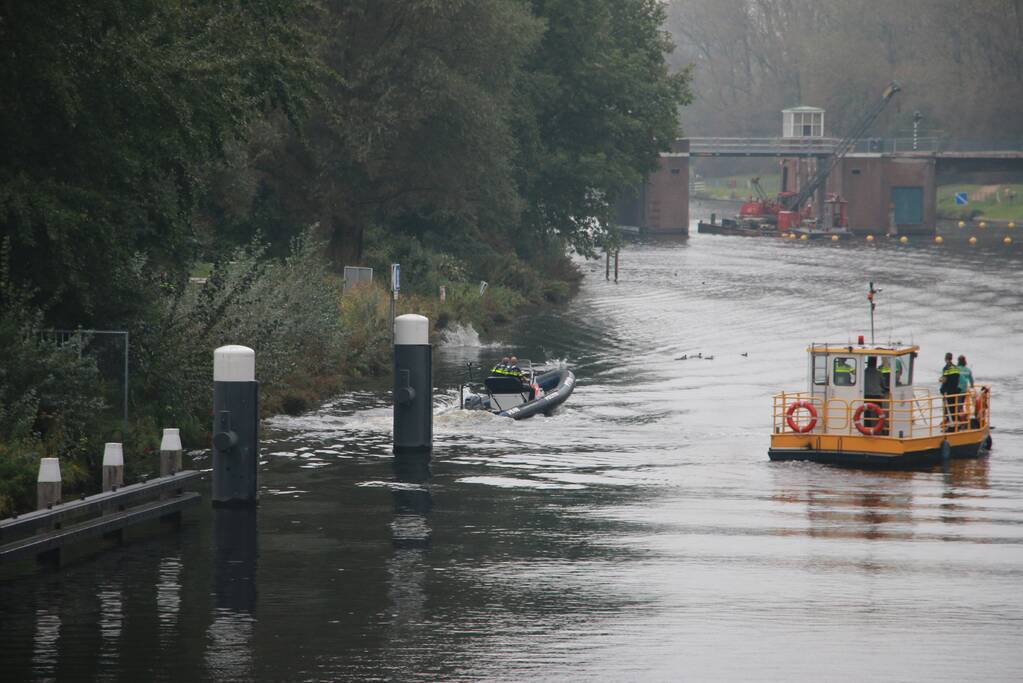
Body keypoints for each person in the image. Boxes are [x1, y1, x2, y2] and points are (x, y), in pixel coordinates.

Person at [940, 352, 961, 430]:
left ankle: (950, 425)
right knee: (954, 408)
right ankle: (956, 423)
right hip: (955, 390)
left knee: (948, 409)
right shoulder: (956, 367)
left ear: (945, 358)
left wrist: (941, 380)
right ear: (951, 358)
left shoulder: (946, 368)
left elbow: (944, 379)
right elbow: (958, 379)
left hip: (948, 391)